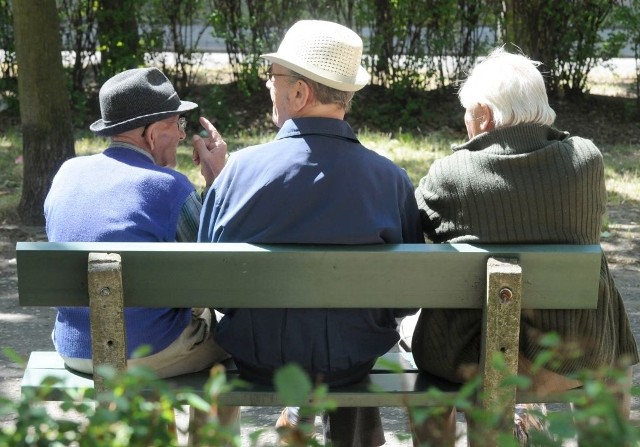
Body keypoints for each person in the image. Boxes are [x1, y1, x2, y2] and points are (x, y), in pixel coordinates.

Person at [192, 20, 423, 446]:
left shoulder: (239, 171)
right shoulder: (389, 180)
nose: (268, 86)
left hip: (260, 358)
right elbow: (405, 299)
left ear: (299, 93)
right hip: (353, 360)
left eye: (273, 77)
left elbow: (210, 285)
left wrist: (218, 184)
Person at [406, 47, 639, 445]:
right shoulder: (587, 160)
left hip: (471, 361)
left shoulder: (450, 174)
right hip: (574, 357)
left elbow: (415, 231)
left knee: (413, 329)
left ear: (484, 113)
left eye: (467, 112)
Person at [44, 67, 229, 379]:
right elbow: (217, 272)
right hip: (145, 354)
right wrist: (217, 182)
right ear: (153, 134)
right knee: (231, 334)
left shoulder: (67, 174)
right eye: (177, 125)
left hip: (76, 350)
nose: (182, 135)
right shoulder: (170, 187)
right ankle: (208, 432)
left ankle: (161, 430)